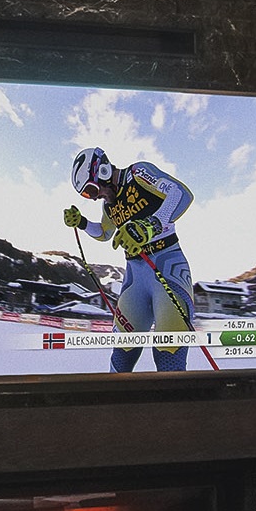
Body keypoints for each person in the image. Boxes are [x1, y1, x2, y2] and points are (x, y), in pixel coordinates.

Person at [61, 145, 198, 372]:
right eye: (88, 195)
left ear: (103, 170)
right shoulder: (109, 206)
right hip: (135, 277)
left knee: (168, 354)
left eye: (92, 191)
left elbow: (181, 194)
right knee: (122, 353)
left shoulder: (137, 174)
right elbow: (104, 233)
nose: (94, 198)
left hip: (167, 266)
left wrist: (151, 225)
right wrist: (82, 223)